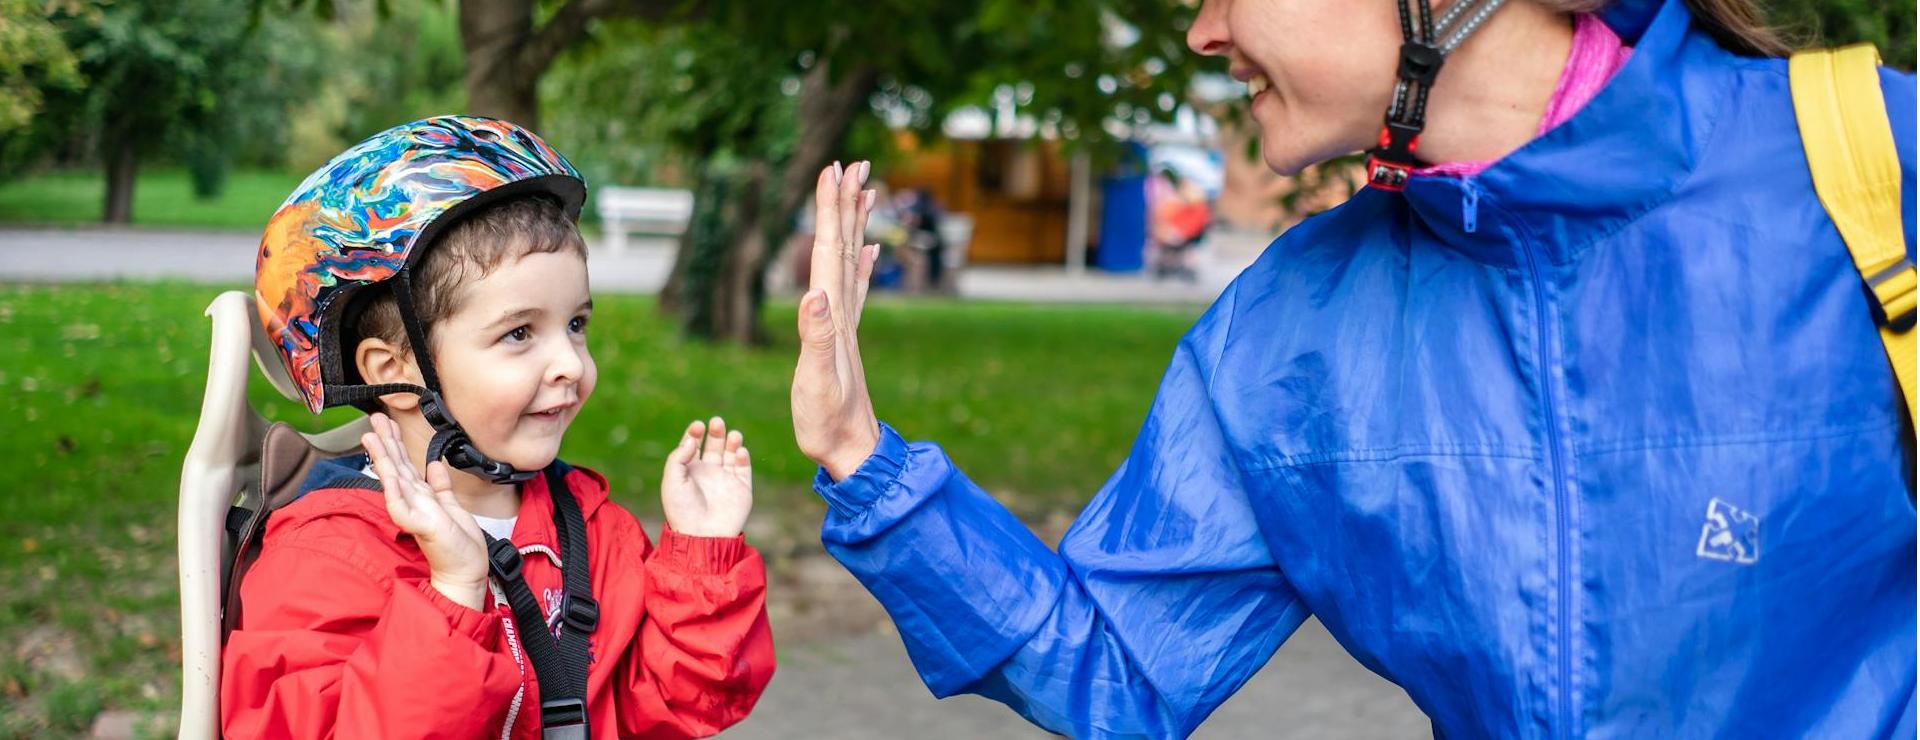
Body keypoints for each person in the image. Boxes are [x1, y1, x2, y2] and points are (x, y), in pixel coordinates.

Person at [787, 0, 1916, 735]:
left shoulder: (1870, 166)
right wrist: (865, 457)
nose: (1203, 34)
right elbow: (1115, 668)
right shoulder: (1290, 329)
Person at [224, 116, 775, 738]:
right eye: (519, 333)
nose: (571, 364)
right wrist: (454, 593)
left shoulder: (592, 532)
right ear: (393, 370)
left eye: (576, 324)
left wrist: (702, 558)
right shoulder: (327, 559)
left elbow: (672, 708)